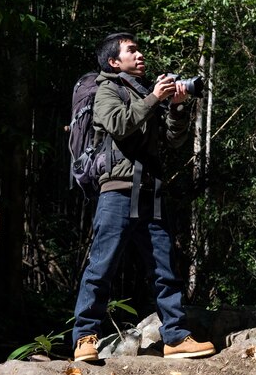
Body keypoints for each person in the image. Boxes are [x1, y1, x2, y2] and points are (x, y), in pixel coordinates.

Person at [72, 32, 215, 361]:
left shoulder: (143, 90)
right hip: (117, 193)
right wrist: (153, 98)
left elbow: (173, 140)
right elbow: (119, 125)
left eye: (139, 49)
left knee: (165, 268)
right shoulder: (108, 88)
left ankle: (176, 337)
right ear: (113, 61)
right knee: (101, 267)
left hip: (150, 191)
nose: (140, 55)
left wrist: (176, 107)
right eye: (131, 51)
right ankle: (85, 338)